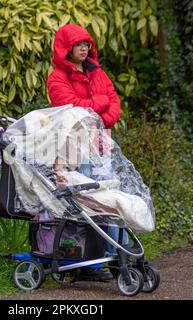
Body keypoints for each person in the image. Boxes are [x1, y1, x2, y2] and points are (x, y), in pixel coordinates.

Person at [46, 24, 127, 282]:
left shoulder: (97, 73)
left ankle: (117, 255)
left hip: (100, 146)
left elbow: (114, 105)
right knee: (88, 204)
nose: (84, 48)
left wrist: (96, 113)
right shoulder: (57, 78)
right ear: (66, 49)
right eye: (79, 45)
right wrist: (98, 106)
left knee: (110, 200)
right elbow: (69, 109)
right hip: (75, 149)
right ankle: (91, 261)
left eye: (87, 44)